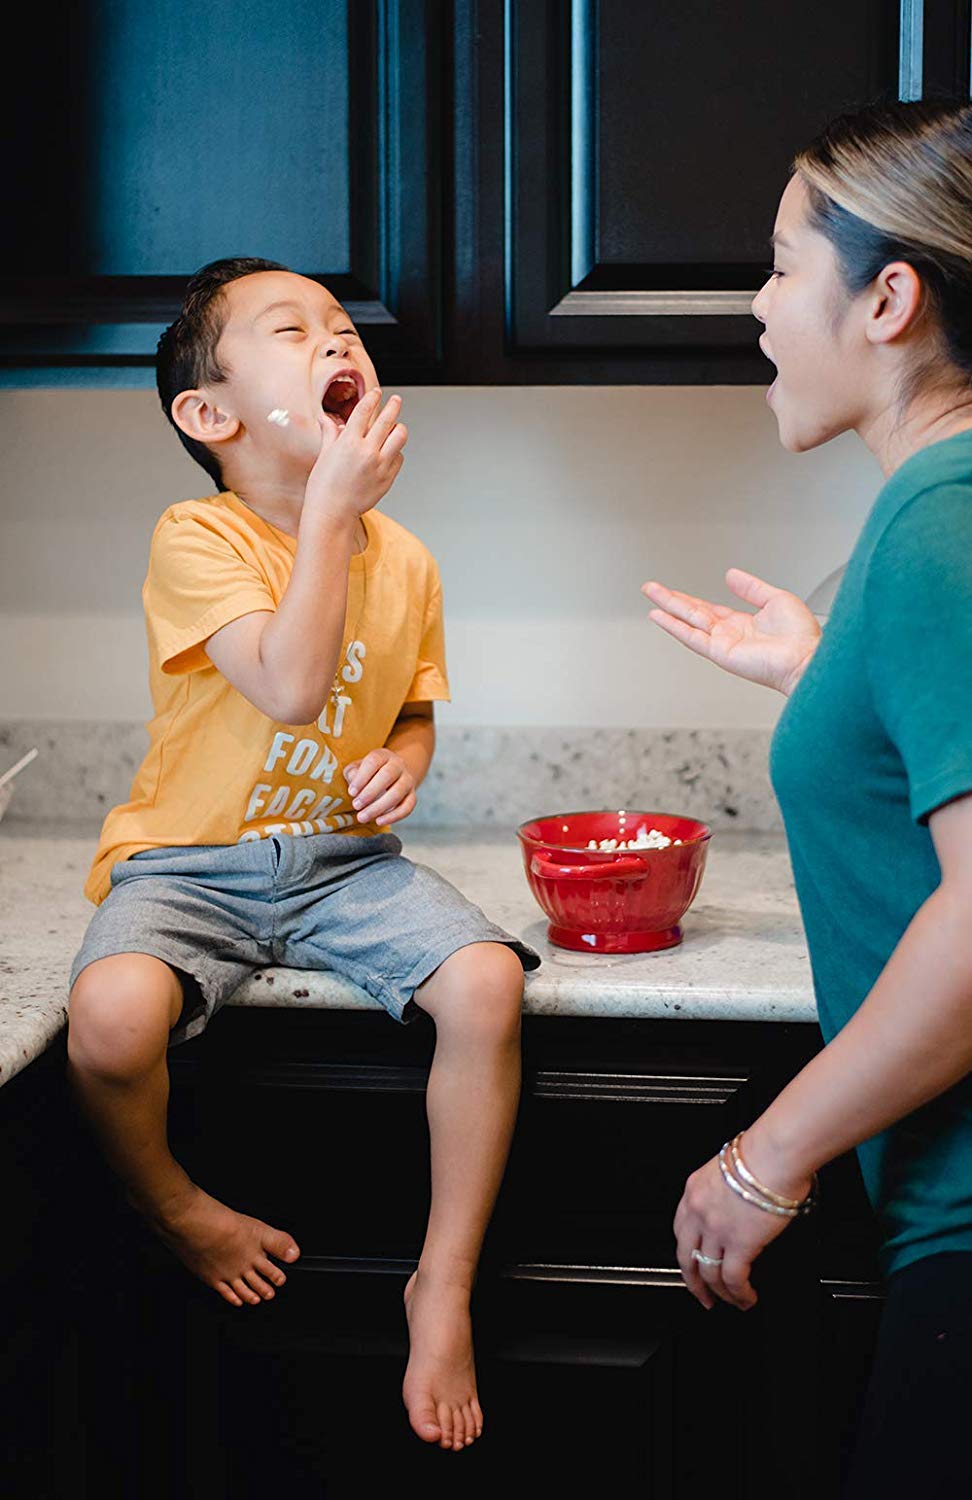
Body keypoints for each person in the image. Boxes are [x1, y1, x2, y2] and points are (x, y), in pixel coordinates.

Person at [65, 257, 540, 1454]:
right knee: (111, 1022)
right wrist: (331, 513)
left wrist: (413, 759)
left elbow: (412, 705)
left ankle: (443, 1283)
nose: (339, 343)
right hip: (188, 864)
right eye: (294, 331)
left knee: (487, 982)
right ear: (210, 415)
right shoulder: (197, 536)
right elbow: (284, 681)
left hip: (343, 863)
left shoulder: (411, 562)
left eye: (342, 329)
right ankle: (174, 1206)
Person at [643, 99, 972, 1495]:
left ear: (889, 296)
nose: (761, 306)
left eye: (783, 266)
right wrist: (831, 684)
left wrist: (763, 1164)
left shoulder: (939, 515)